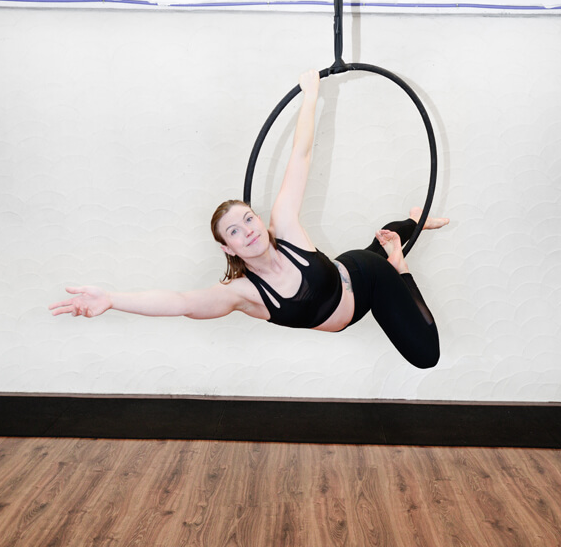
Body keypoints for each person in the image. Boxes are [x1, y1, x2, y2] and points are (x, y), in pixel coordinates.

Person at [49, 70, 448, 368]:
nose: (248, 231)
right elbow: (181, 302)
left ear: (260, 219)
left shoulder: (284, 225)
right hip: (346, 277)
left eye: (248, 220)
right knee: (375, 251)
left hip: (369, 279)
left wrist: (312, 95)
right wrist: (112, 299)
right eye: (234, 231)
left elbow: (300, 155)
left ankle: (398, 263)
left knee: (425, 354)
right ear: (228, 248)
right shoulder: (243, 293)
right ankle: (410, 222)